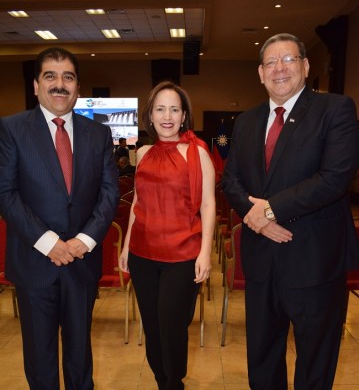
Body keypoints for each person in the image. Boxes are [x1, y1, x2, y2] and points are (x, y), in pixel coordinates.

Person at [222, 33, 359, 389]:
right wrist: (260, 222)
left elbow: (334, 178)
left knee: (315, 359)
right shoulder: (247, 121)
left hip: (315, 259)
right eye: (271, 62)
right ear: (260, 73)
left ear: (305, 65)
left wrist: (269, 212)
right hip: (261, 258)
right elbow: (231, 180)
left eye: (288, 60)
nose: (279, 69)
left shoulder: (336, 109)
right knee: (263, 357)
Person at [0, 47, 119, 390]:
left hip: (82, 263)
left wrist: (84, 241)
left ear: (78, 87)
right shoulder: (11, 129)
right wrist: (49, 243)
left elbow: (110, 194)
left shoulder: (98, 134)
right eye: (50, 76)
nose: (59, 85)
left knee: (80, 357)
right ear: (36, 85)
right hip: (34, 262)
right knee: (40, 358)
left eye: (68, 77)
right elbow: (6, 194)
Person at [119, 81, 216, 390]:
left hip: (182, 254)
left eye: (174, 109)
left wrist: (205, 253)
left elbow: (209, 204)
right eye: (160, 109)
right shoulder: (144, 152)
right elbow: (137, 202)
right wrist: (125, 246)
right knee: (151, 324)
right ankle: (163, 381)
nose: (167, 116)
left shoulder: (198, 153)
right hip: (142, 254)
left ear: (184, 115)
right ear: (151, 114)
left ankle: (174, 382)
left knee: (170, 323)